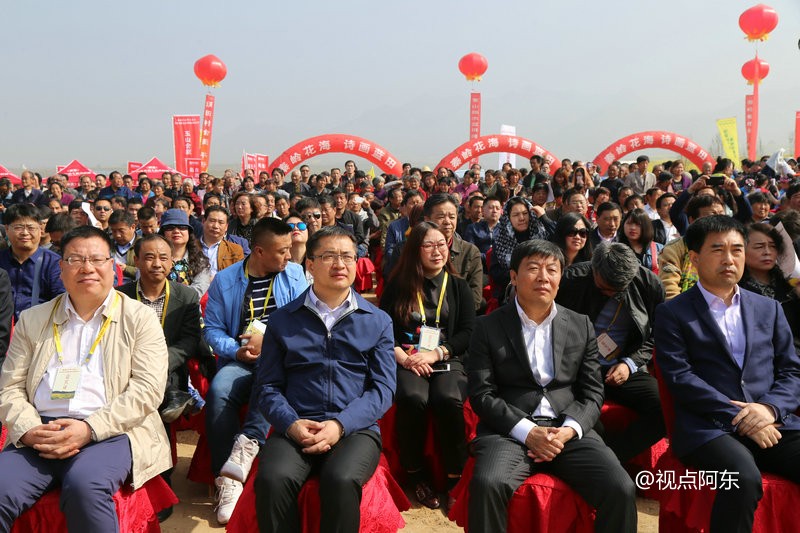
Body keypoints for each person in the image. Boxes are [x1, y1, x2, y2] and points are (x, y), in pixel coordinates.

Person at [0, 225, 170, 531]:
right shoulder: (33, 319)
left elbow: (147, 390)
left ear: (113, 267)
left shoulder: (140, 318)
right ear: (61, 267)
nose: (87, 268)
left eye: (96, 259)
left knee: (85, 486)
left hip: (111, 432)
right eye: (75, 260)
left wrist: (90, 428)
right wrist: (28, 429)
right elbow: (9, 387)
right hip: (40, 431)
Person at [467, 239, 637, 533]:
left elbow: (593, 391)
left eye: (552, 269)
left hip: (567, 431)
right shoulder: (488, 326)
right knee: (487, 483)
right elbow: (482, 393)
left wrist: (569, 430)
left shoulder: (580, 324)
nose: (544, 277)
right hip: (510, 432)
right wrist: (528, 432)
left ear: (561, 277)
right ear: (513, 277)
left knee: (620, 487)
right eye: (533, 268)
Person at [654, 215, 800, 533]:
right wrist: (742, 418)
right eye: (718, 250)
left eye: (737, 249)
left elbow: (791, 371)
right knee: (742, 480)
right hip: (709, 428)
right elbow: (680, 377)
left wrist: (768, 408)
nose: (729, 259)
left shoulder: (768, 308)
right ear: (694, 258)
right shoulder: (672, 313)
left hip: (772, 421)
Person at [253, 226, 396, 533]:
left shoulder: (378, 321)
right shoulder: (282, 320)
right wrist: (291, 423)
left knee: (341, 479)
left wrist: (340, 425)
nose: (339, 264)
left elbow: (382, 389)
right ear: (310, 264)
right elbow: (267, 387)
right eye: (329, 256)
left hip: (354, 430)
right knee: (272, 478)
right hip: (296, 424)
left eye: (347, 256)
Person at [203, 217, 308, 524]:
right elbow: (212, 330)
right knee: (219, 393)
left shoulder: (295, 274)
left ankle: (244, 452)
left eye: (290, 250)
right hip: (239, 358)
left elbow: (303, 324)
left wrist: (271, 342)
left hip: (284, 360)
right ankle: (225, 477)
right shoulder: (226, 280)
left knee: (268, 378)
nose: (288, 256)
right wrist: (236, 350)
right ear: (259, 251)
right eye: (281, 251)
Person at [380, 222, 475, 509]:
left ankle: (454, 476)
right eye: (429, 245)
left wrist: (436, 354)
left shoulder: (458, 286)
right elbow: (384, 330)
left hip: (446, 357)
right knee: (413, 397)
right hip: (407, 358)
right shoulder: (398, 285)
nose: (438, 251)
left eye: (442, 244)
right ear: (414, 250)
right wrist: (406, 358)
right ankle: (416, 475)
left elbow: (468, 332)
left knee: (447, 398)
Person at [556, 243, 666, 463]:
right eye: (605, 288)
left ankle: (612, 458)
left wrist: (630, 363)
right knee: (583, 418)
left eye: (619, 289)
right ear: (594, 270)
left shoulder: (648, 284)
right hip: (577, 370)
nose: (612, 294)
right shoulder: (571, 280)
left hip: (623, 366)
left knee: (665, 407)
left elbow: (658, 334)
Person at [0, 203, 65, 321]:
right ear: (7, 229)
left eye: (31, 228)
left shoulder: (54, 263)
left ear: (40, 230)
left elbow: (60, 303)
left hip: (40, 330)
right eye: (19, 227)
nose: (25, 233)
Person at [490, 197, 555, 303]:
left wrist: (544, 218)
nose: (521, 218)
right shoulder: (501, 241)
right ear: (508, 218)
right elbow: (496, 272)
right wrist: (522, 277)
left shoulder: (542, 233)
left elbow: (562, 236)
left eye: (525, 213)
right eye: (516, 215)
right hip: (513, 292)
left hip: (544, 286)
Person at [158, 209, 212, 298]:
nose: (176, 231)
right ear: (163, 232)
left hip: (188, 309)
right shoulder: (152, 259)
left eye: (182, 227)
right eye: (170, 227)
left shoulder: (200, 261)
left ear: (189, 232)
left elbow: (198, 291)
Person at [201, 205, 245, 276]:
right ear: (203, 221)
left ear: (226, 227)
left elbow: (238, 277)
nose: (215, 226)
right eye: (212, 221)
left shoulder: (235, 250)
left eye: (221, 222)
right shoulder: (191, 246)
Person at [617, 208, 663, 272]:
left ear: (646, 226)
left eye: (638, 224)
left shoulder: (660, 249)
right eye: (629, 223)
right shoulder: (616, 250)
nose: (633, 228)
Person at [109, 209, 139, 284]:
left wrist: (126, 269)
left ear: (133, 227)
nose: (117, 235)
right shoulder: (107, 244)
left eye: (121, 231)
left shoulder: (143, 245)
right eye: (114, 231)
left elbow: (147, 271)